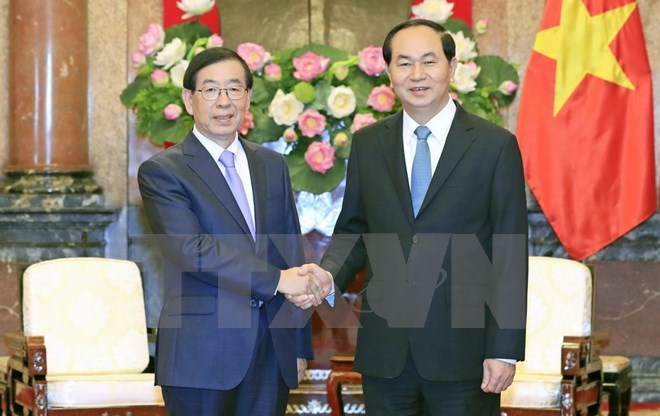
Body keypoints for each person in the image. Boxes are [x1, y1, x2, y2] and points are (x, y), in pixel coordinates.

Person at [294, 19, 528, 415]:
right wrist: (328, 274)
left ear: (452, 68)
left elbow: (509, 254)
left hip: (464, 355)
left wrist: (504, 349)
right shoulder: (369, 143)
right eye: (404, 63)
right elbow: (355, 230)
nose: (417, 75)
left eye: (429, 61)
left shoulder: (495, 146)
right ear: (388, 73)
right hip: (387, 353)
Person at [138, 47, 332, 416]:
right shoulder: (164, 170)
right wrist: (280, 280)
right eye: (210, 90)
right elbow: (192, 250)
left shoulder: (272, 164)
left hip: (271, 355)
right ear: (188, 99)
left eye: (234, 89)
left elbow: (290, 251)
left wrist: (298, 346)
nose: (223, 101)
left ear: (248, 97)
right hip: (201, 357)